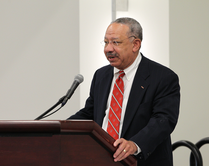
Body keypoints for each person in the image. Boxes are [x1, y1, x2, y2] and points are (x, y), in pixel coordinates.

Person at [68, 17, 180, 166]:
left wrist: (135, 144)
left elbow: (163, 121)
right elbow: (90, 113)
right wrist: (61, 129)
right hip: (102, 159)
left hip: (141, 161)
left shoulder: (163, 77)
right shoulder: (101, 75)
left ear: (135, 44)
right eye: (106, 42)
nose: (108, 49)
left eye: (116, 42)